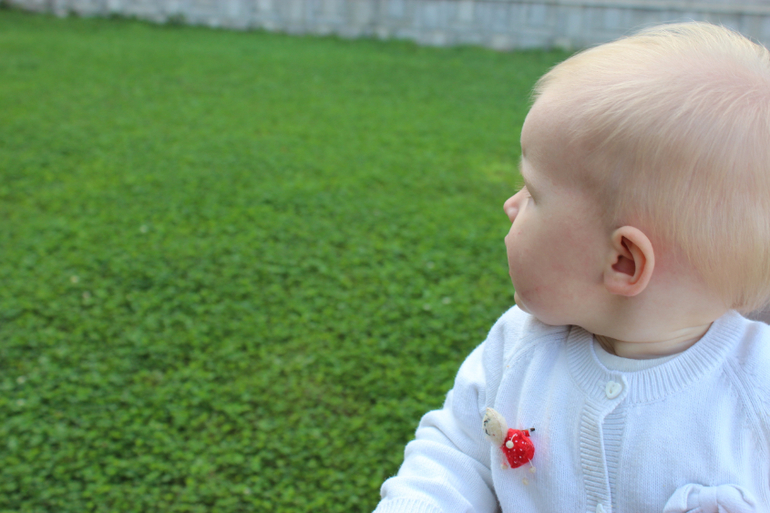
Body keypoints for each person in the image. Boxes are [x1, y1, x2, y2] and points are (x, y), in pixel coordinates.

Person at [373, 22, 770, 513]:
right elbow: (458, 454)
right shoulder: (518, 347)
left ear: (623, 261)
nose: (510, 205)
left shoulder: (756, 389)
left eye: (533, 193)